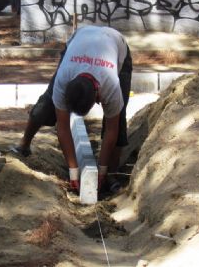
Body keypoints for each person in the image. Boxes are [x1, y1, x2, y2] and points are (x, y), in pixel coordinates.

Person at [13, 25, 133, 193]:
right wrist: (73, 171)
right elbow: (62, 127)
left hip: (116, 44)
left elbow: (112, 131)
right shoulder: (64, 77)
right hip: (79, 42)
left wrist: (101, 170)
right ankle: (24, 145)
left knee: (118, 117)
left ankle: (111, 174)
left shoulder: (111, 86)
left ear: (98, 98)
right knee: (48, 102)